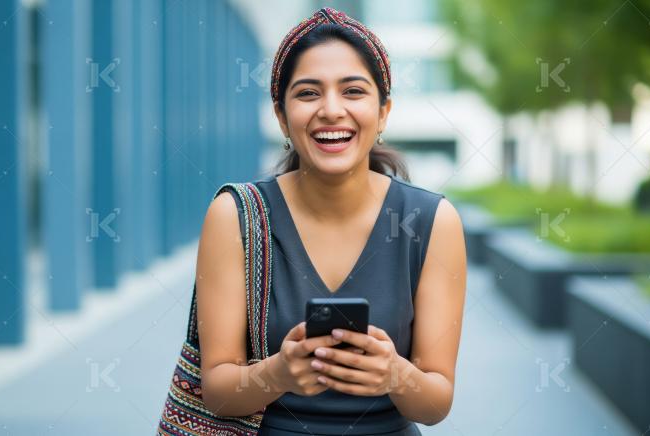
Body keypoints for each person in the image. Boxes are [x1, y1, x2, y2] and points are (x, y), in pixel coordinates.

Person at [195, 7, 467, 435]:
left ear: (383, 112)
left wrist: (394, 374)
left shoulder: (433, 222)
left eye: (353, 91)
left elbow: (435, 404)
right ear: (282, 116)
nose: (331, 110)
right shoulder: (236, 216)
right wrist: (279, 373)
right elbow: (218, 390)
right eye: (308, 93)